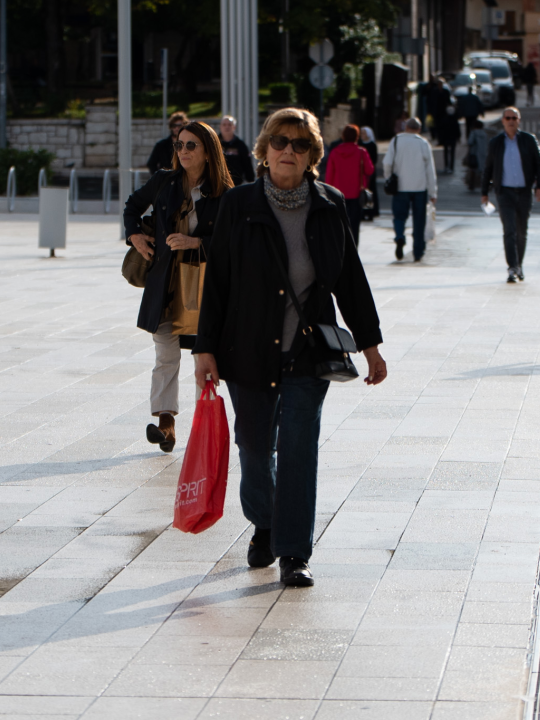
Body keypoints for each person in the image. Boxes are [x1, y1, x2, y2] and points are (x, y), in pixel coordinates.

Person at [192, 107, 387, 587]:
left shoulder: (329, 203)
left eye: (300, 145)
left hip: (308, 353)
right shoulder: (239, 205)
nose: (288, 151)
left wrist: (371, 346)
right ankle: (265, 522)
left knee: (299, 451)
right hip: (247, 351)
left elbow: (350, 279)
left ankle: (294, 553)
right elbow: (216, 282)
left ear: (312, 155)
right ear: (263, 149)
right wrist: (204, 349)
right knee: (255, 450)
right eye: (280, 141)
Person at [123, 121, 233, 453]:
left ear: (208, 151)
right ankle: (166, 423)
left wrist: (194, 241)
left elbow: (233, 242)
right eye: (179, 145)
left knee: (208, 354)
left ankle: (209, 421)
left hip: (206, 287)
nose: (182, 151)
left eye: (190, 146)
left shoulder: (227, 193)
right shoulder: (164, 182)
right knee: (165, 354)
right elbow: (132, 205)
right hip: (166, 283)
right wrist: (135, 235)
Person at [481, 107, 540, 283]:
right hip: (505, 193)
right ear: (502, 121)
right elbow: (488, 168)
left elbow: (539, 163)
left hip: (524, 192)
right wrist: (484, 192)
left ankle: (519, 264)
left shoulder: (528, 140)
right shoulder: (496, 143)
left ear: (519, 120)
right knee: (509, 230)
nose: (511, 121)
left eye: (514, 118)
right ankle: (512, 267)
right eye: (507, 118)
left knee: (521, 232)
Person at [384, 117, 437, 262]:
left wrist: (389, 178)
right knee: (419, 220)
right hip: (419, 187)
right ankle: (418, 251)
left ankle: (400, 236)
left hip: (400, 187)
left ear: (405, 127)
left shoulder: (396, 140)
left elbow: (387, 162)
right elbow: (430, 170)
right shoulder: (423, 143)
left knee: (399, 216)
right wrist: (433, 191)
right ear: (419, 129)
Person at [324, 125, 374, 247]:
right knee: (354, 224)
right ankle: (353, 248)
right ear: (357, 137)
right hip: (356, 193)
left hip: (338, 194)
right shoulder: (361, 152)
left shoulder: (335, 152)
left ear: (343, 136)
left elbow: (329, 175)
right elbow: (370, 170)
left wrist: (327, 193)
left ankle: (341, 247)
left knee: (339, 223)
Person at [218, 115, 255, 186]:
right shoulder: (215, 144)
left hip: (236, 185)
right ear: (220, 127)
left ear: (234, 127)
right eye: (224, 125)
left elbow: (247, 165)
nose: (227, 127)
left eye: (229, 124)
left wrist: (251, 182)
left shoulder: (240, 145)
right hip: (218, 185)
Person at [359, 126, 380, 219]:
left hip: (369, 172)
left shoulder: (372, 145)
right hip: (360, 172)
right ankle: (363, 212)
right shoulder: (359, 144)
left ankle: (372, 212)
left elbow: (374, 159)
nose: (362, 135)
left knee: (371, 191)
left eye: (364, 133)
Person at [465, 118, 489, 192]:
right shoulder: (484, 134)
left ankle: (472, 185)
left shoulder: (474, 133)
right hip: (483, 153)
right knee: (483, 170)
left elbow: (470, 142)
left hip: (474, 154)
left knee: (473, 169)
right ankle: (484, 185)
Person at [438, 106, 461, 175]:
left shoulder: (444, 120)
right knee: (452, 153)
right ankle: (451, 167)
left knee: (446, 153)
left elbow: (441, 130)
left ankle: (446, 166)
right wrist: (458, 137)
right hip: (453, 139)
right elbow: (457, 130)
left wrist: (441, 139)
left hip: (446, 139)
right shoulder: (455, 120)